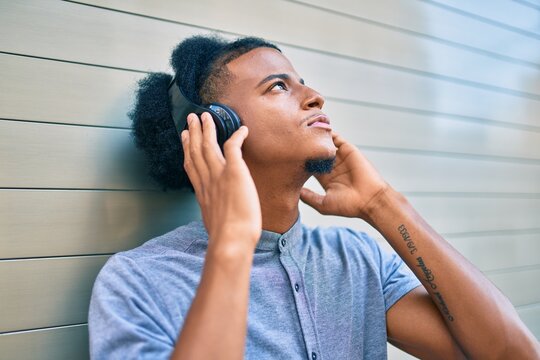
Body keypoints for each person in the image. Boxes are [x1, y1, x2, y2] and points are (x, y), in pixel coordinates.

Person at [88, 35, 539, 359]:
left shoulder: (355, 258)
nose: (316, 98)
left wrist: (383, 203)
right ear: (215, 127)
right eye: (278, 86)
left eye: (302, 82)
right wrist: (232, 244)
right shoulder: (137, 282)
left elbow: (513, 355)